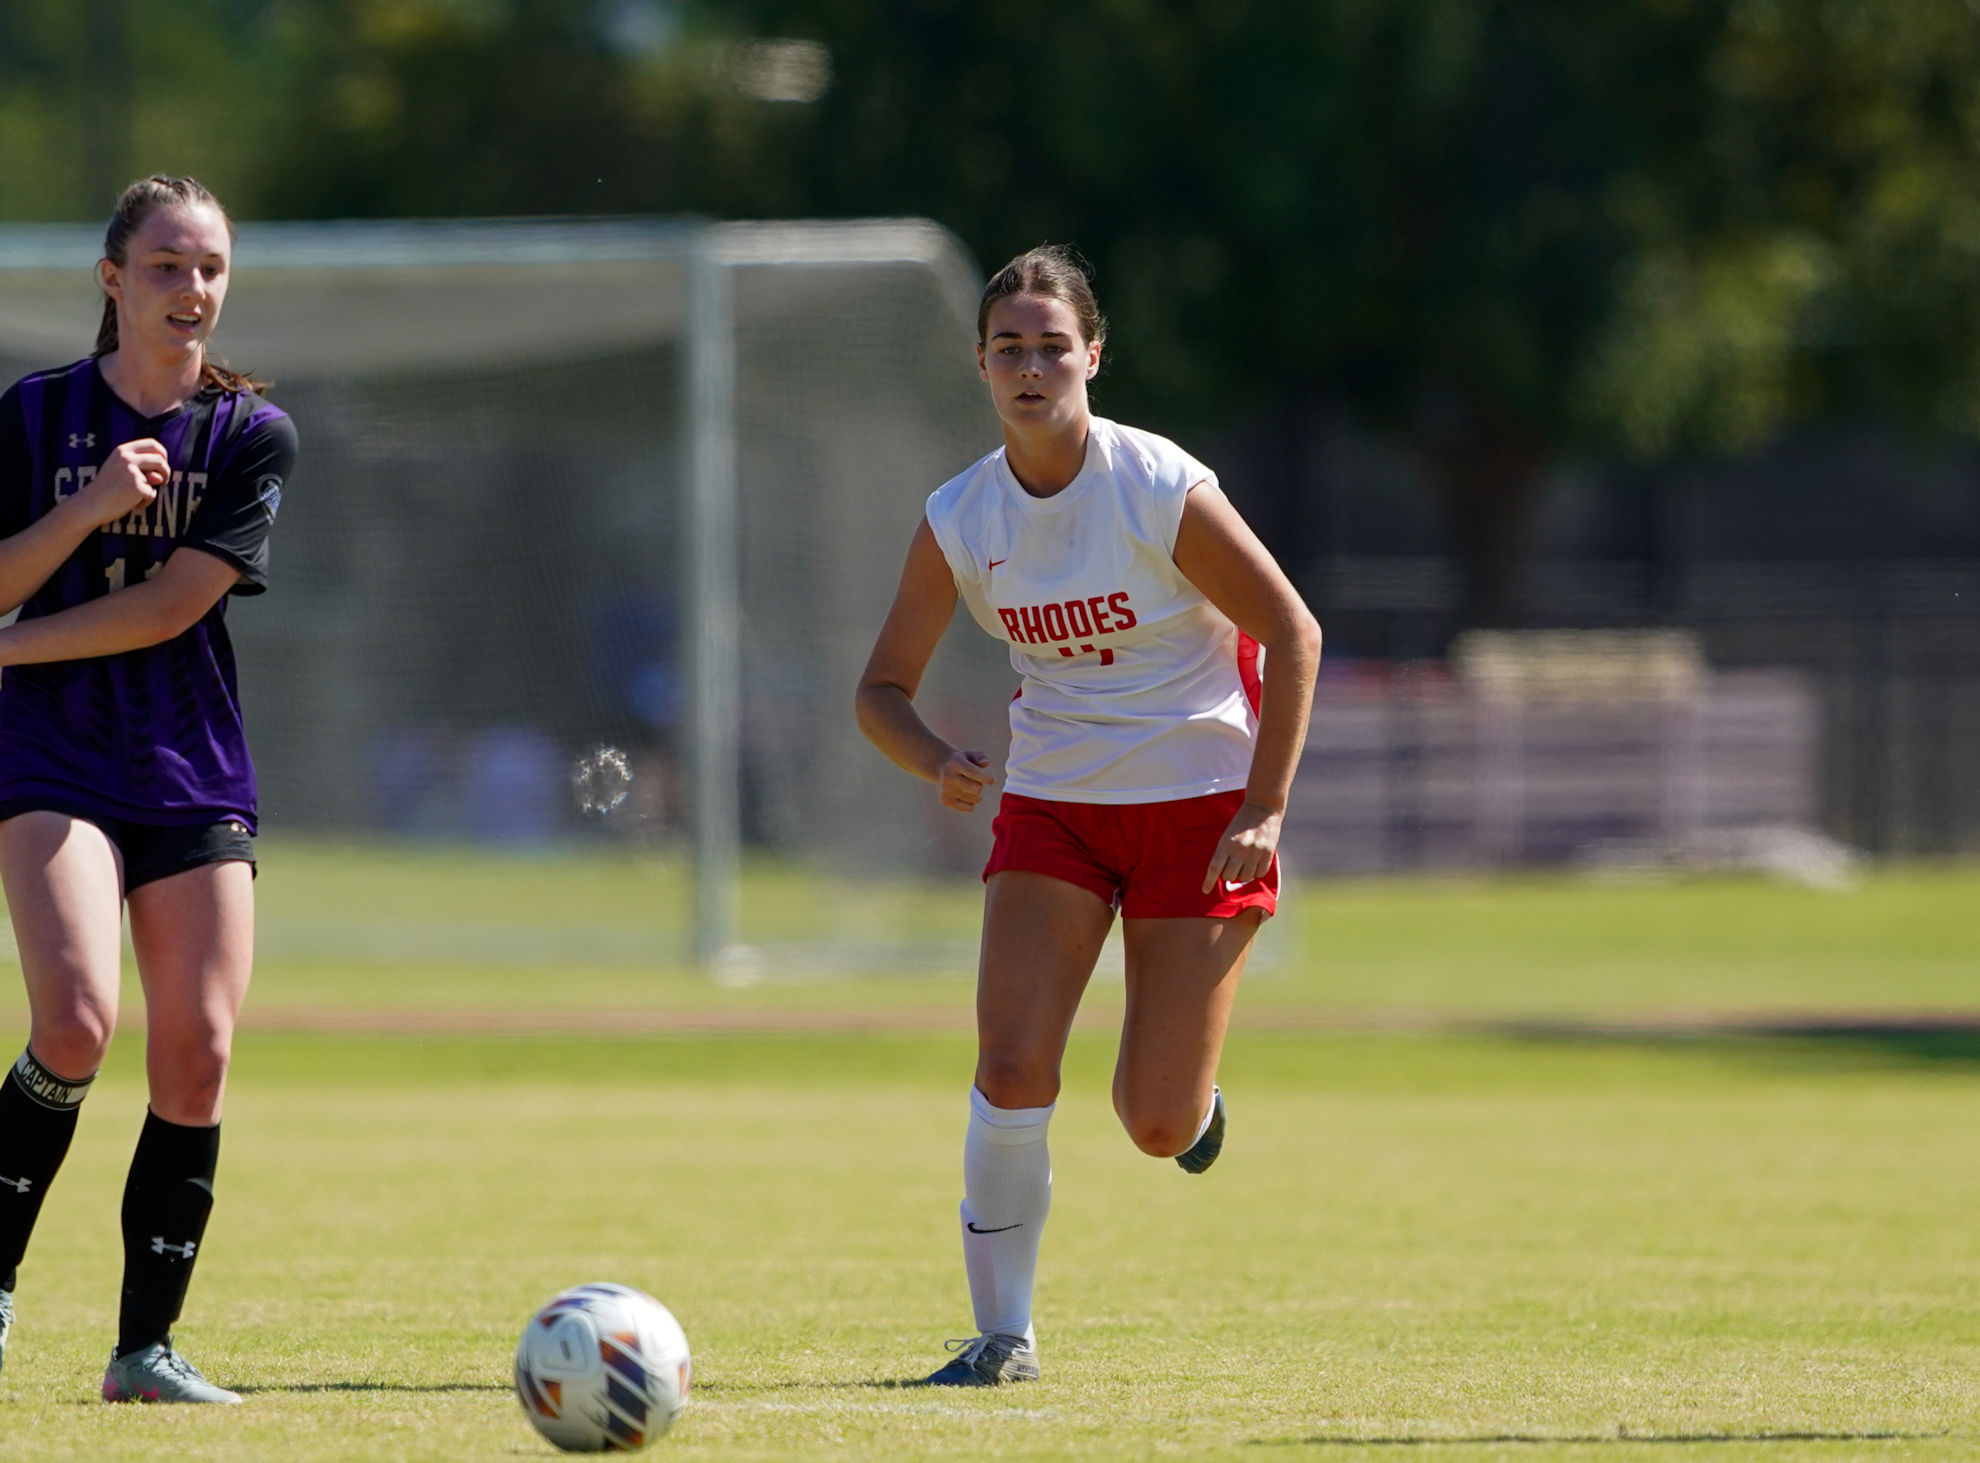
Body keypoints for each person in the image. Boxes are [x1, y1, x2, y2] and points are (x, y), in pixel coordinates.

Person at [855, 245, 1321, 1386]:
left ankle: (1194, 1106)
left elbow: (1293, 631)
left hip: (1200, 806)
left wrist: (1265, 805)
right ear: (979, 363)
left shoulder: (1155, 484)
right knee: (1012, 1065)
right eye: (1009, 347)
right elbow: (880, 690)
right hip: (1055, 808)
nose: (1031, 367)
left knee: (1155, 1120)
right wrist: (935, 760)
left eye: (1053, 347)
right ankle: (1001, 1337)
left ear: (1093, 357)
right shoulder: (963, 514)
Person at [0, 175, 296, 1405]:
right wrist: (90, 504)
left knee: (199, 1053)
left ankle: (144, 1352)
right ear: (113, 279)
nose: (193, 288)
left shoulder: (251, 432)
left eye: (211, 267)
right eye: (168, 265)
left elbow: (173, 606)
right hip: (51, 750)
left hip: (189, 762)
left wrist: (6, 646)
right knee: (75, 1022)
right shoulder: (32, 414)